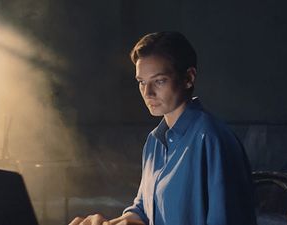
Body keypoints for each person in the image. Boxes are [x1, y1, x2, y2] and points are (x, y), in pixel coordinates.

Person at [69, 31, 257, 225]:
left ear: (188, 78)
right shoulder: (153, 142)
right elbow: (143, 210)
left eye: (159, 81)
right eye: (142, 82)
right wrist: (109, 223)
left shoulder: (212, 139)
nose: (148, 93)